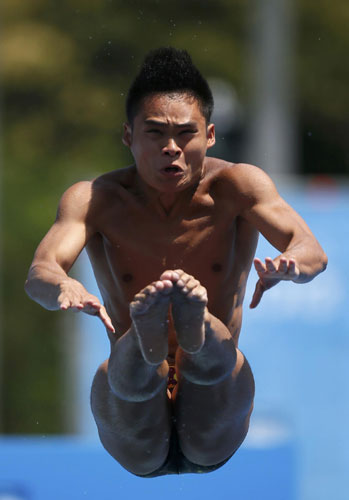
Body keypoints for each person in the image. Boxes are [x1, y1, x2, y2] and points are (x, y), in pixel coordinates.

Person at [25, 47, 327, 477]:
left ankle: (193, 329)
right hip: (132, 405)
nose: (171, 148)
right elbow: (40, 272)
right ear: (128, 135)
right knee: (128, 379)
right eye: (155, 133)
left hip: (213, 402)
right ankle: (150, 343)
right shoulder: (95, 200)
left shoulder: (238, 187)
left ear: (210, 136)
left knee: (212, 363)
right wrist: (61, 286)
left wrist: (291, 264)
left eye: (186, 133)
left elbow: (310, 249)